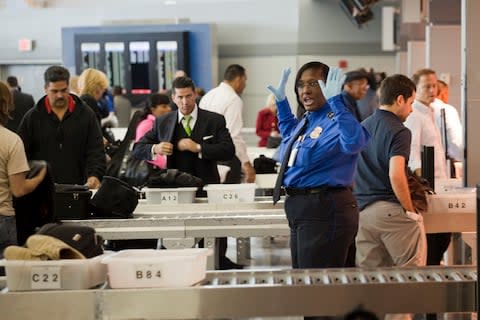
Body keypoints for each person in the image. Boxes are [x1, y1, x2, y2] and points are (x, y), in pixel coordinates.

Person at [267, 62, 370, 270]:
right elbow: (290, 141)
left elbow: (354, 142)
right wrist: (281, 103)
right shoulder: (309, 119)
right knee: (304, 279)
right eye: (301, 85)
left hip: (324, 208)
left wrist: (336, 101)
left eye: (314, 83)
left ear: (329, 86)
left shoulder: (335, 119)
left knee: (316, 285)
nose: (305, 90)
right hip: (302, 208)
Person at [132, 76, 240, 269]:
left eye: (188, 96)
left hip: (206, 188)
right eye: (180, 97)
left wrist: (198, 147)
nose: (185, 102)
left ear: (195, 95)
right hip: (174, 191)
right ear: (173, 98)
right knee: (175, 240)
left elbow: (228, 150)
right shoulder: (163, 122)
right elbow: (137, 148)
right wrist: (155, 148)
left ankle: (216, 266)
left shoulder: (214, 120)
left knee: (212, 235)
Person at [354, 74, 426, 270]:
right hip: (392, 211)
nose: (411, 110)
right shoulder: (399, 131)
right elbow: (396, 174)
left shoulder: (363, 126)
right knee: (411, 274)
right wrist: (410, 210)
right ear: (400, 100)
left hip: (364, 213)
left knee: (370, 278)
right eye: (411, 103)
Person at [17, 65, 105, 189]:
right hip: (42, 191)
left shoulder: (86, 114)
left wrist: (95, 175)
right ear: (46, 88)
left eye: (64, 90)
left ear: (69, 87)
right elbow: (22, 154)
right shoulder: (32, 117)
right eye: (54, 91)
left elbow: (96, 150)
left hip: (79, 189)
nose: (60, 95)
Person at [404, 68, 450, 271]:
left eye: (434, 85)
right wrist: (424, 186)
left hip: (438, 186)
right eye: (427, 86)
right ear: (416, 89)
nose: (433, 90)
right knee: (434, 243)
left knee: (442, 240)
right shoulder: (414, 115)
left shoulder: (431, 112)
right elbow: (412, 155)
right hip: (427, 189)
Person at [0, 81, 46, 267]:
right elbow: (19, 189)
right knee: (6, 283)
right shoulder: (11, 141)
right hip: (2, 219)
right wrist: (39, 178)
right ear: (4, 104)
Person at [200, 64, 255, 183]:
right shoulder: (233, 99)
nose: (245, 85)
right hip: (226, 158)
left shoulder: (207, 96)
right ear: (238, 79)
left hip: (206, 157)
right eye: (245, 80)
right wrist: (246, 163)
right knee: (229, 198)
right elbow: (233, 135)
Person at [135, 93, 172, 169]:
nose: (169, 109)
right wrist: (165, 164)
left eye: (168, 106)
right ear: (153, 109)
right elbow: (140, 150)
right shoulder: (147, 125)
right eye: (164, 106)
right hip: (151, 171)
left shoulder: (162, 123)